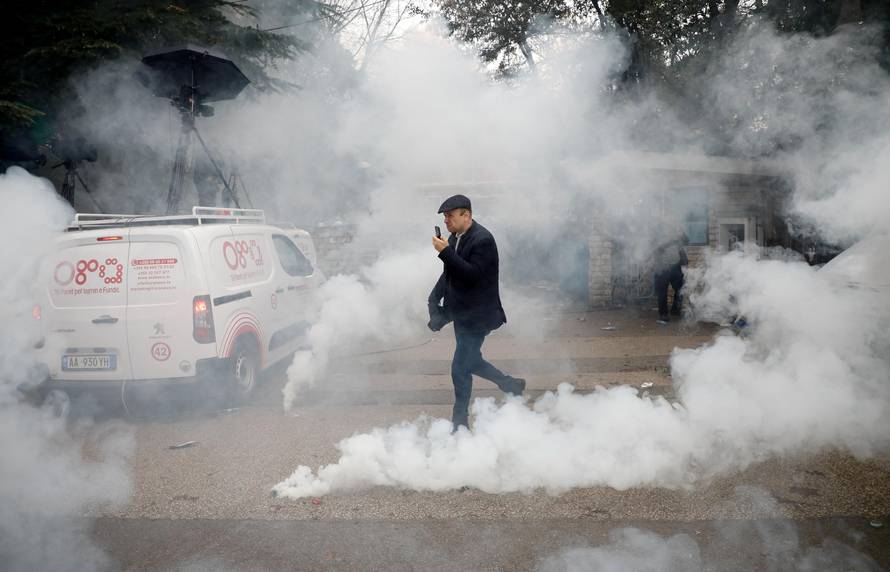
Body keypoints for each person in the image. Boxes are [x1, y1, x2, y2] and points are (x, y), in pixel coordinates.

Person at [428, 194, 525, 431]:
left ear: (466, 215)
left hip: (479, 315)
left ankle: (459, 422)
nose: (447, 220)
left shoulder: (483, 240)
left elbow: (472, 275)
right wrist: (433, 299)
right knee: (471, 359)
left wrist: (445, 252)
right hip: (462, 313)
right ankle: (511, 385)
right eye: (445, 217)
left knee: (460, 367)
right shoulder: (455, 238)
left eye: (450, 216)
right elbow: (450, 272)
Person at [652, 222, 689, 324]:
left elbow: (686, 240)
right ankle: (663, 314)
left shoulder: (676, 233)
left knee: (680, 289)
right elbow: (658, 248)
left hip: (675, 266)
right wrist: (672, 241)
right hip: (662, 267)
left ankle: (676, 309)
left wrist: (680, 232)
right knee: (662, 292)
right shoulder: (658, 235)